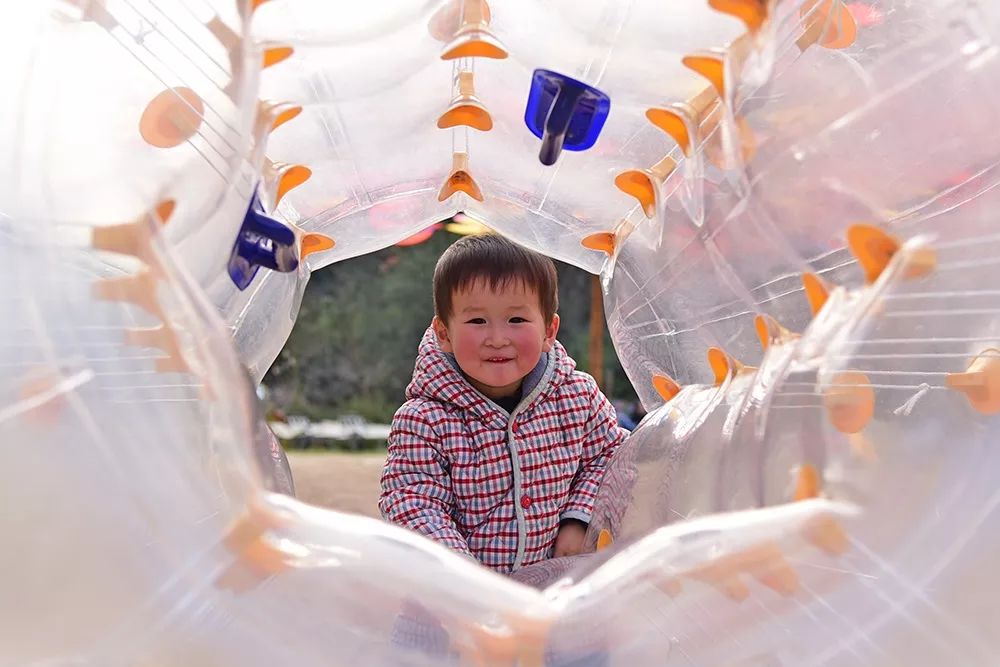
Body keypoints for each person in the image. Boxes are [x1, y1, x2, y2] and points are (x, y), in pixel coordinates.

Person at [378, 233, 628, 574]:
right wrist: (467, 581)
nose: (497, 339)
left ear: (548, 331)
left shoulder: (577, 398)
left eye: (517, 320)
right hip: (450, 608)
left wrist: (579, 518)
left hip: (551, 599)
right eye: (477, 321)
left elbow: (610, 457)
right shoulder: (423, 420)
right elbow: (414, 503)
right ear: (444, 333)